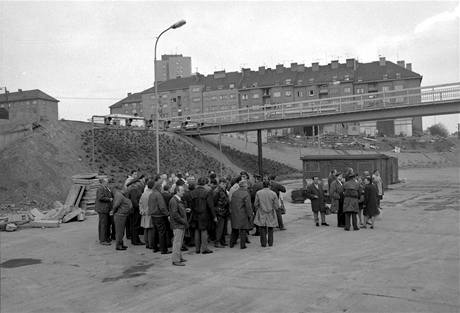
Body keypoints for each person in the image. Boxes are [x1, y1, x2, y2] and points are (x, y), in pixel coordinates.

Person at [190, 177, 217, 254]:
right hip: (204, 214)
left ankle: (197, 249)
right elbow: (210, 206)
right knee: (204, 230)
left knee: (196, 230)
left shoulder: (192, 192)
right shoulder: (207, 192)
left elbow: (191, 205)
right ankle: (204, 249)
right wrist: (214, 216)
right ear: (205, 183)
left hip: (195, 214)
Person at [253, 180, 279, 247]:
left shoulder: (258, 193)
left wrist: (259, 207)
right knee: (270, 228)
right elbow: (276, 206)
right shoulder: (273, 193)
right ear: (269, 185)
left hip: (261, 212)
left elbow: (255, 204)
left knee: (262, 228)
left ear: (263, 185)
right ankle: (270, 243)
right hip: (271, 212)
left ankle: (263, 243)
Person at [229, 180, 253, 249]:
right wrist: (250, 215)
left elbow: (231, 203)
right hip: (242, 214)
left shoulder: (234, 193)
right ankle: (242, 245)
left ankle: (231, 243)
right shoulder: (246, 194)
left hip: (234, 213)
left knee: (234, 229)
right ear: (245, 186)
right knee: (243, 229)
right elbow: (248, 206)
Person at [149, 180, 171, 254]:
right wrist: (167, 214)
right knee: (162, 233)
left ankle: (155, 247)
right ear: (158, 187)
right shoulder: (158, 195)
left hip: (153, 215)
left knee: (155, 232)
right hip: (159, 215)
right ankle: (164, 249)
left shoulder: (151, 194)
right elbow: (162, 207)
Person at [169, 185, 189, 266]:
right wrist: (183, 221)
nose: (183, 192)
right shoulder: (174, 201)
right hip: (178, 225)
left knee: (179, 242)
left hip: (180, 224)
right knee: (177, 243)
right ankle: (176, 260)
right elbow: (175, 214)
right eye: (182, 191)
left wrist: (185, 210)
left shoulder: (177, 200)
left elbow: (177, 211)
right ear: (177, 191)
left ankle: (179, 257)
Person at [110, 186, 133, 250]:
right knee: (119, 231)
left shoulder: (120, 195)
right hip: (120, 216)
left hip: (122, 215)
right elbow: (116, 205)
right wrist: (113, 211)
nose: (126, 191)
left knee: (121, 231)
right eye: (125, 189)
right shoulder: (119, 195)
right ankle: (118, 245)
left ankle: (121, 244)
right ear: (121, 189)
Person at [127, 177, 145, 245]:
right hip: (135, 210)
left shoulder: (133, 189)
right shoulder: (134, 190)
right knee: (135, 225)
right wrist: (139, 207)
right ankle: (135, 241)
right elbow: (134, 201)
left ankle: (136, 239)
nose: (140, 183)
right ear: (135, 183)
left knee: (134, 225)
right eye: (138, 182)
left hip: (134, 210)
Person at [95, 177, 113, 245]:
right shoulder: (100, 188)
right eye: (106, 182)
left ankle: (105, 238)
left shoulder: (105, 188)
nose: (107, 183)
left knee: (105, 224)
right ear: (103, 182)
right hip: (102, 209)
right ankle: (102, 240)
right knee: (103, 224)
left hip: (105, 209)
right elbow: (100, 197)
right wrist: (109, 199)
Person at [213, 178, 230, 248]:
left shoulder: (223, 190)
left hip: (224, 211)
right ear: (219, 183)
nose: (224, 185)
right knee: (219, 228)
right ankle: (217, 242)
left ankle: (222, 241)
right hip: (220, 211)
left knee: (223, 228)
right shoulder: (217, 191)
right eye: (223, 184)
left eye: (225, 184)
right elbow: (214, 202)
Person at [140, 180, 154, 249]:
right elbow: (151, 204)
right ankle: (150, 244)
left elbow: (140, 203)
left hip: (144, 214)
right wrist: (147, 211)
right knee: (150, 229)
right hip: (149, 213)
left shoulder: (143, 193)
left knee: (146, 229)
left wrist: (142, 210)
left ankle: (147, 243)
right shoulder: (152, 193)